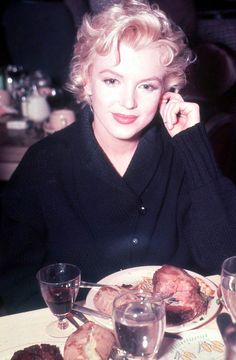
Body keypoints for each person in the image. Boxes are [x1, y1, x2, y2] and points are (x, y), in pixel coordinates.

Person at [1, 0, 236, 315]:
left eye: (147, 86)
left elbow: (224, 265)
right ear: (86, 79)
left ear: (168, 90)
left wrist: (196, 150)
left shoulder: (182, 156)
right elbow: (12, 283)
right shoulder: (43, 163)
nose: (128, 101)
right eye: (112, 80)